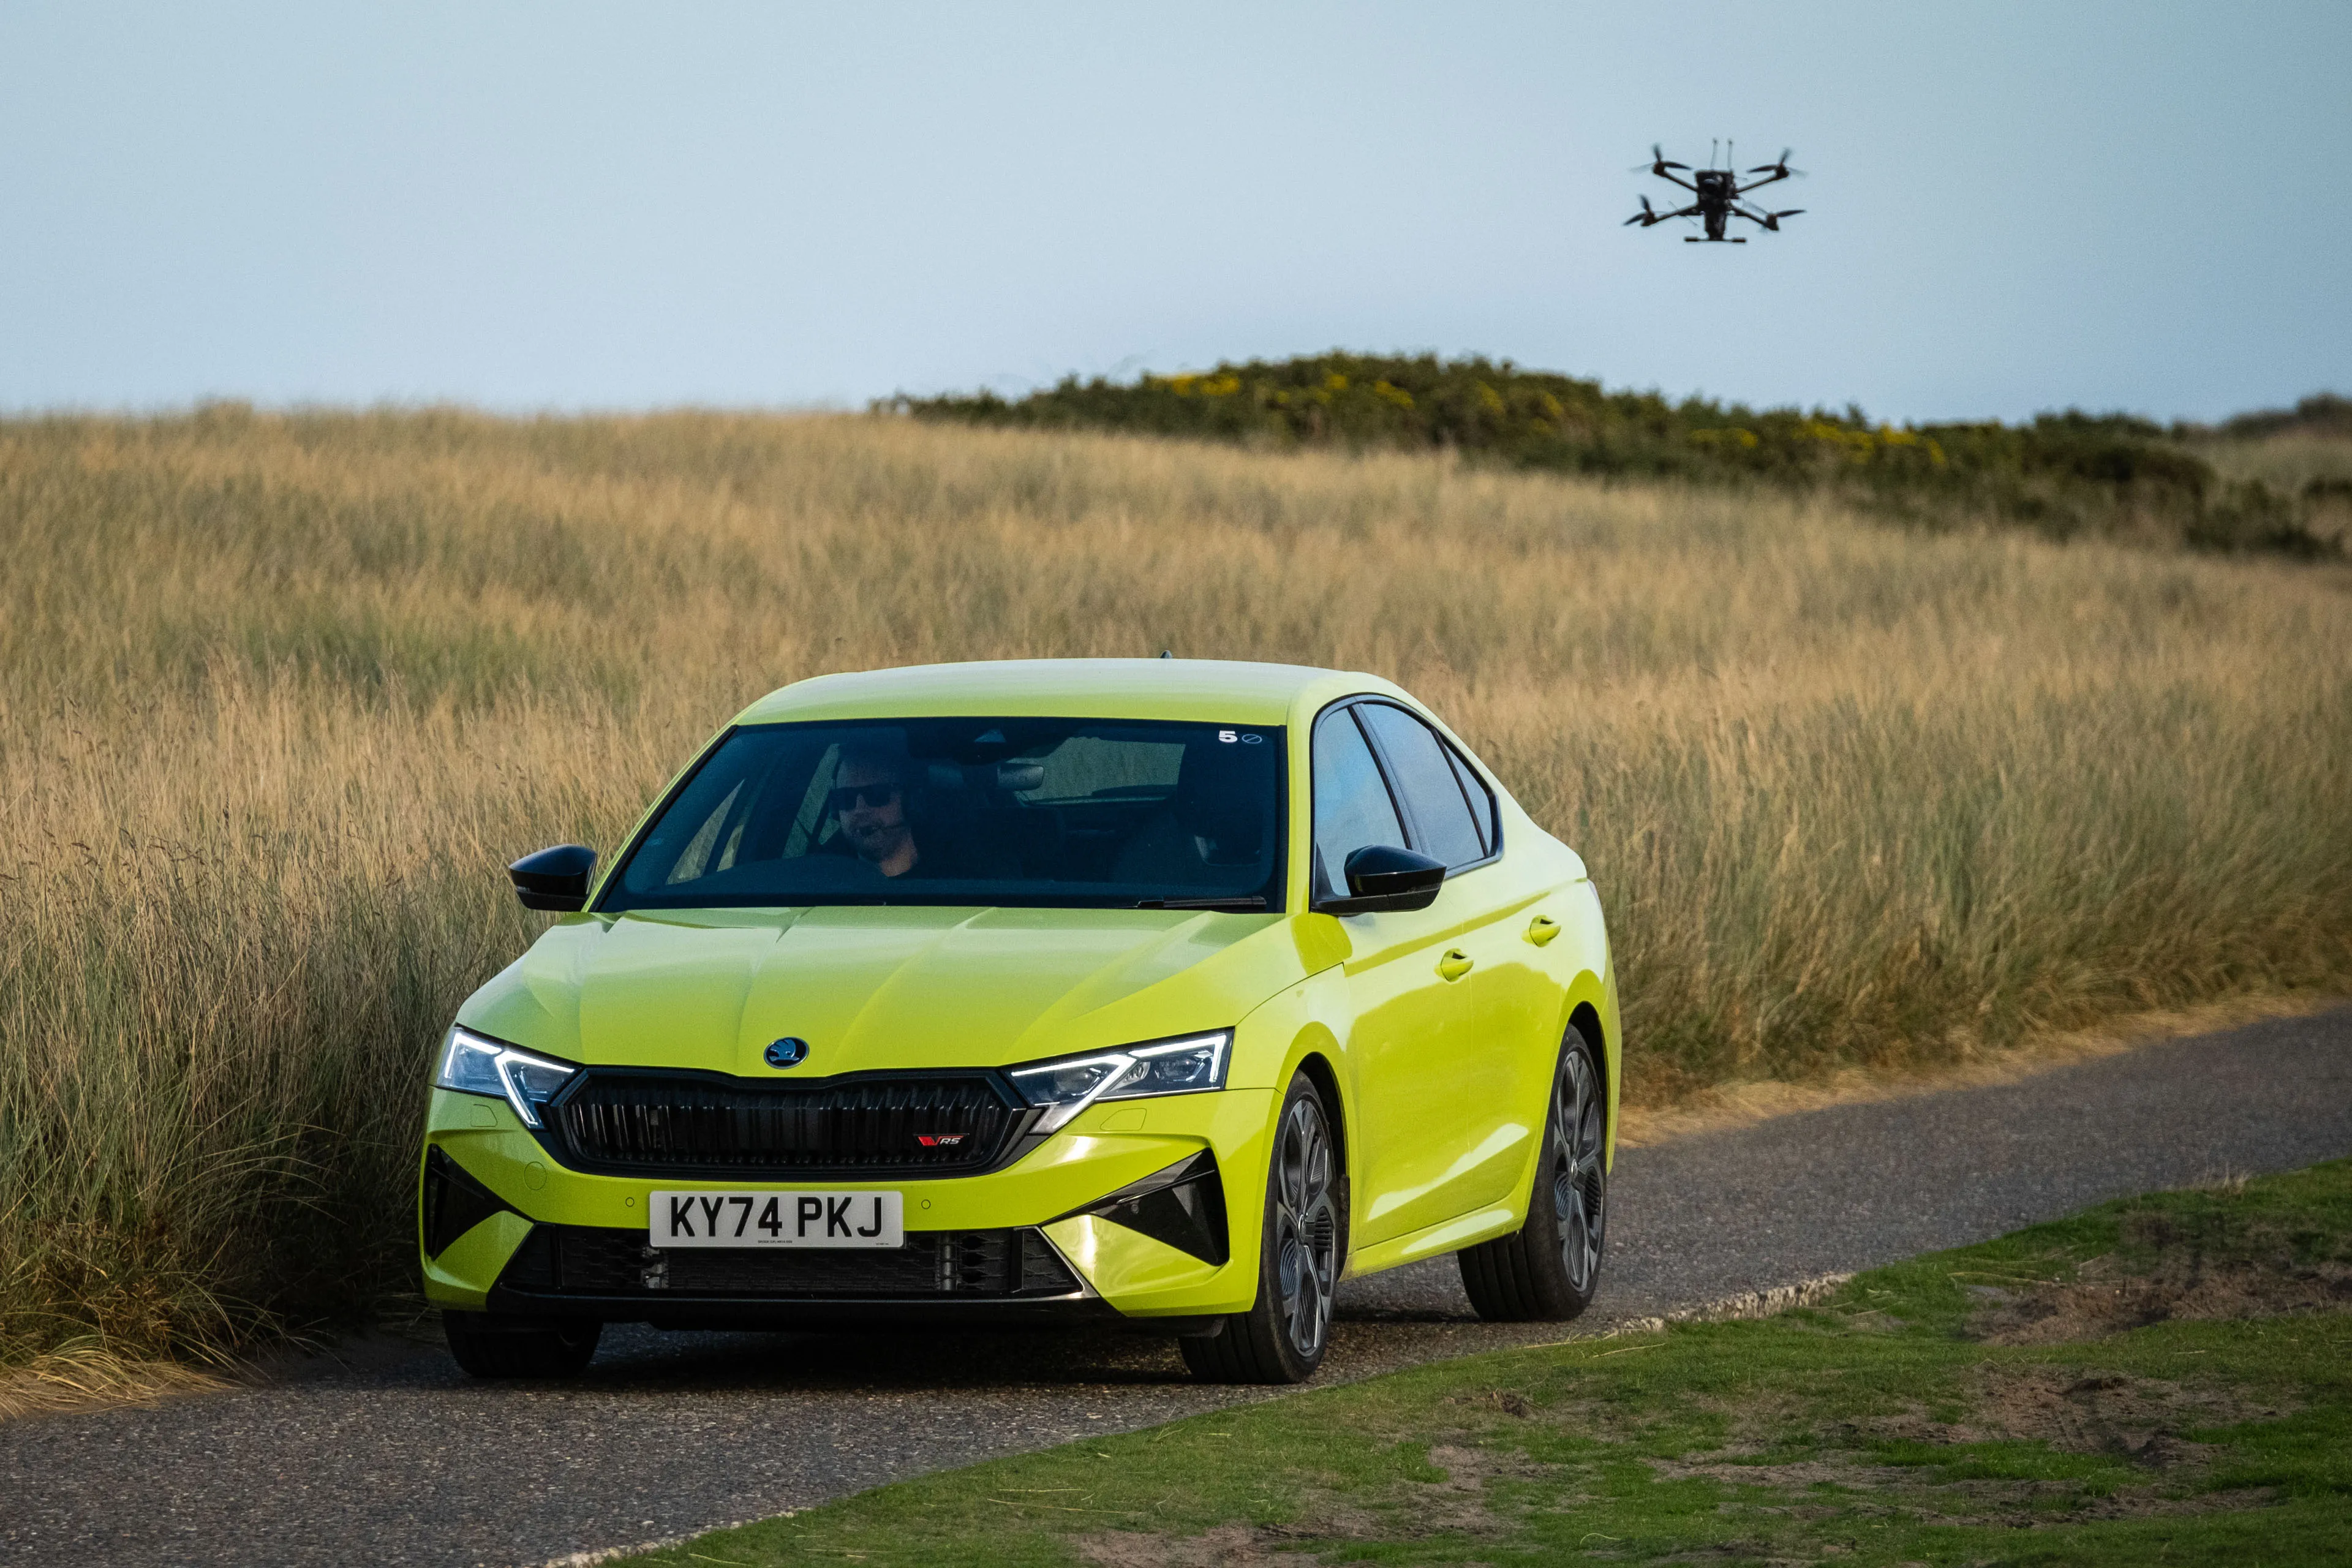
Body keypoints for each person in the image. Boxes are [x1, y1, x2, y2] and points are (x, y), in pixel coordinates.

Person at [829, 744, 921, 877]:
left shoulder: (947, 878)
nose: (859, 810)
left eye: (877, 795)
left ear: (910, 802)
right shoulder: (825, 879)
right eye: (846, 797)